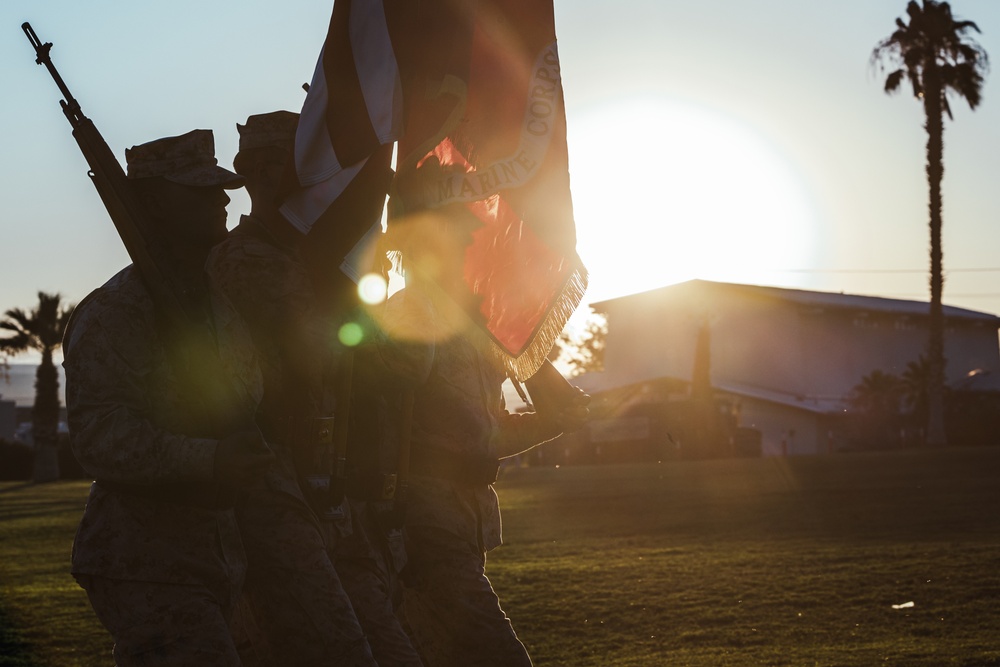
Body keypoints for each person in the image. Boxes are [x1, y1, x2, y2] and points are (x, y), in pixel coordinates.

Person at [64, 129, 275, 666]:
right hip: (145, 562)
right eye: (201, 192)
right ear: (153, 206)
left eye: (220, 188)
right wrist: (210, 458)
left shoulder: (217, 306)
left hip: (218, 557)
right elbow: (100, 439)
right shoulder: (115, 313)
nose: (223, 200)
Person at [205, 111, 379, 666]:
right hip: (276, 478)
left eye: (280, 160)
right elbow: (322, 354)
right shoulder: (246, 258)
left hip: (324, 476)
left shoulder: (314, 256)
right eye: (256, 163)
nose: (266, 173)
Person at [383, 213, 590, 667]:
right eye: (462, 241)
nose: (474, 252)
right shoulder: (412, 313)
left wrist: (557, 420)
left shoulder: (475, 325)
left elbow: (484, 437)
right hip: (422, 524)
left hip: (466, 519)